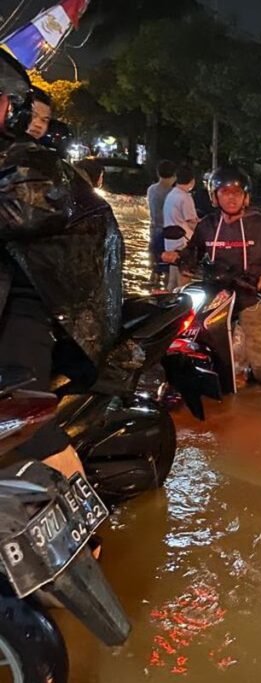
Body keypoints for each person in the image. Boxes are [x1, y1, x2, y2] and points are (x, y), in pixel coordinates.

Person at [0, 51, 126, 482]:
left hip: (39, 303)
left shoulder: (33, 159)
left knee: (18, 414)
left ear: (8, 108)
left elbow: (23, 210)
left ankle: (84, 537)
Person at [163, 166, 261, 386]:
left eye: (237, 193)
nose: (231, 198)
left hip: (254, 297)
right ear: (214, 197)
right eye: (225, 192)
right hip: (217, 295)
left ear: (246, 197)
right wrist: (177, 256)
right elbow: (194, 252)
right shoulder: (207, 225)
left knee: (260, 364)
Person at [163, 166, 200, 291]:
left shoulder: (171, 194)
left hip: (170, 243)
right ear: (192, 181)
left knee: (172, 282)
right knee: (184, 283)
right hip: (184, 244)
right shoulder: (185, 197)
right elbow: (191, 222)